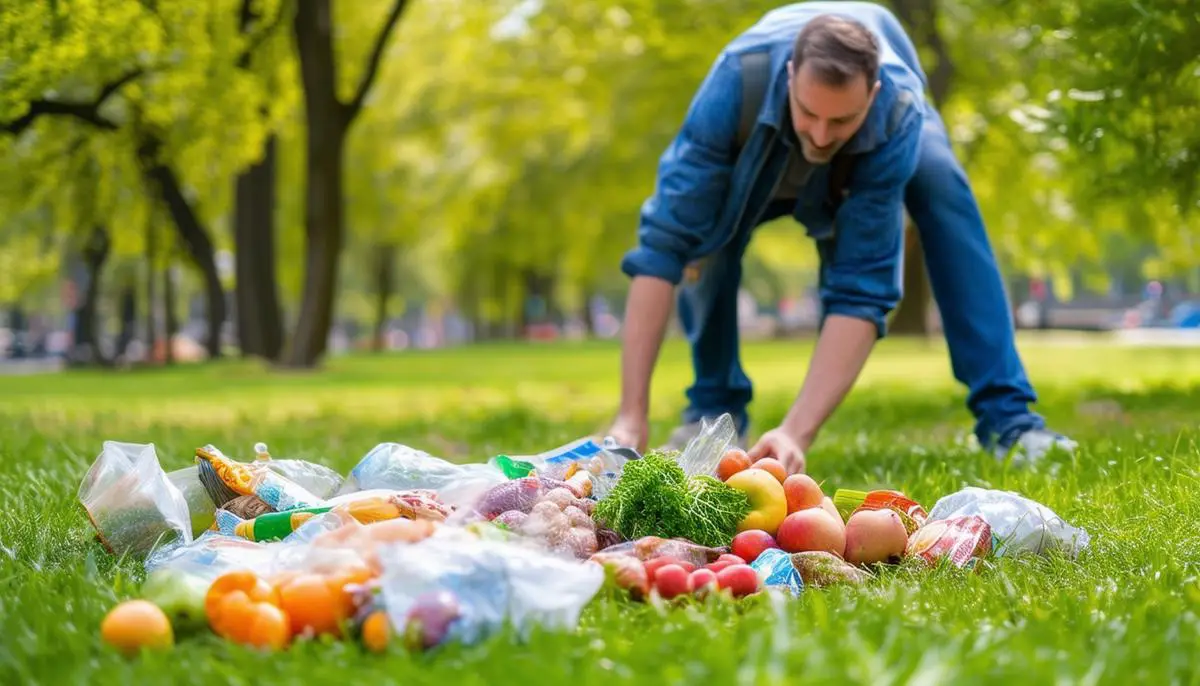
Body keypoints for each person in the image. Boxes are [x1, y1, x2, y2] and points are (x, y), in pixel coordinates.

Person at [605, 2, 1077, 473]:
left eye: (840, 121)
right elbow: (662, 250)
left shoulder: (897, 110)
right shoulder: (735, 85)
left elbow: (862, 288)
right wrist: (630, 417)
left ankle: (1011, 423)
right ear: (791, 76)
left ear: (870, 95)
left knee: (942, 186)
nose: (821, 135)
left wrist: (795, 433)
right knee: (706, 238)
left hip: (877, 146)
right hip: (756, 139)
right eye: (809, 112)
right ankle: (712, 410)